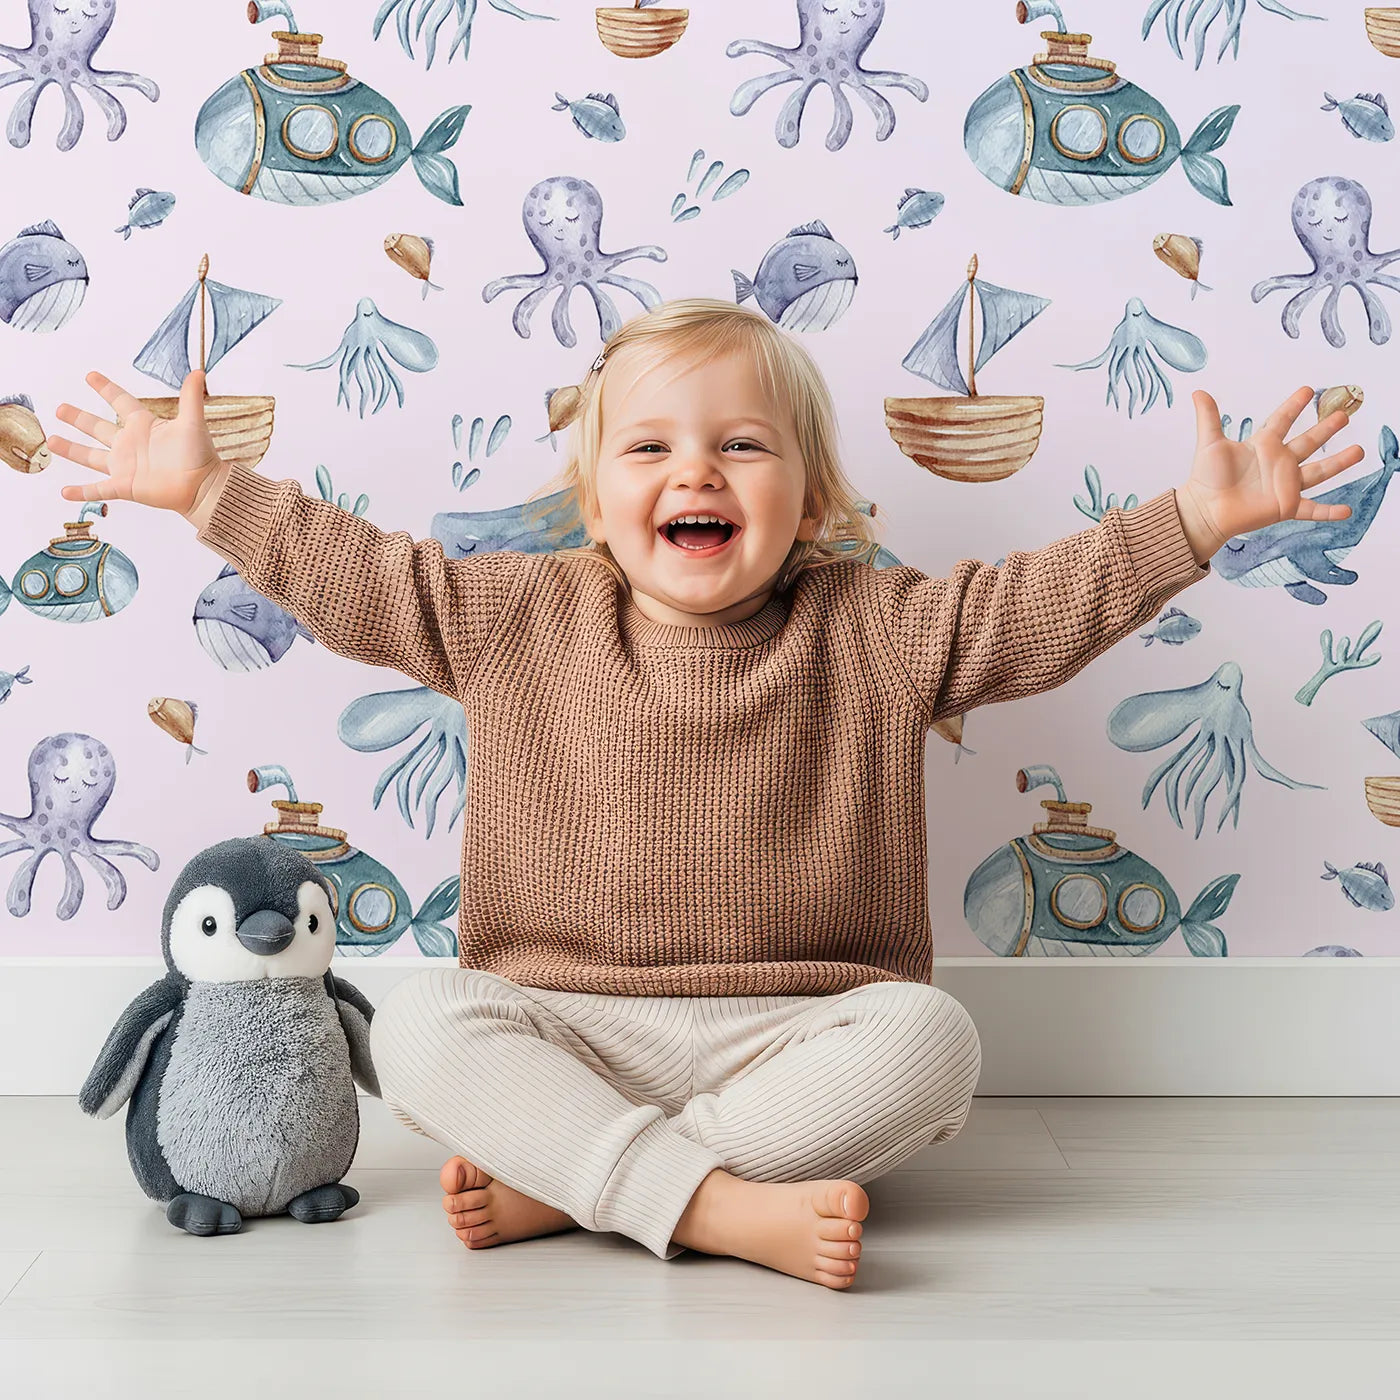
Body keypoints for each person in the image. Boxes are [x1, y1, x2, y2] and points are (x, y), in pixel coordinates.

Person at [44, 298, 1360, 1290]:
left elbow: (1037, 608)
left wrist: (1188, 521)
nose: (697, 473)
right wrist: (211, 492)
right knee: (422, 1024)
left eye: (743, 445)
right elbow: (355, 573)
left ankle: (583, 1185)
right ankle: (724, 1206)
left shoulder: (881, 625)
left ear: (816, 499)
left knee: (934, 1043)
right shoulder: (512, 615)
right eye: (652, 448)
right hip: (561, 1024)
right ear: (592, 497)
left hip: (801, 1035)